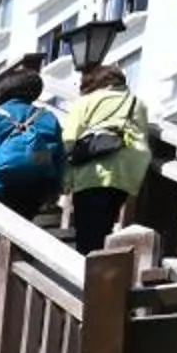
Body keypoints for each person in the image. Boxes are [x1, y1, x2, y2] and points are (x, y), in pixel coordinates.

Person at [62, 62, 155, 254]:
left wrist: (64, 180)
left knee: (88, 233)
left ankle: (88, 273)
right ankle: (101, 268)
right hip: (125, 175)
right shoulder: (137, 103)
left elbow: (68, 140)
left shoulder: (86, 102)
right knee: (105, 225)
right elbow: (143, 136)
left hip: (91, 174)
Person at [0, 64, 65, 224]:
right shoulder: (48, 116)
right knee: (24, 223)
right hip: (38, 184)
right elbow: (58, 155)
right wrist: (56, 187)